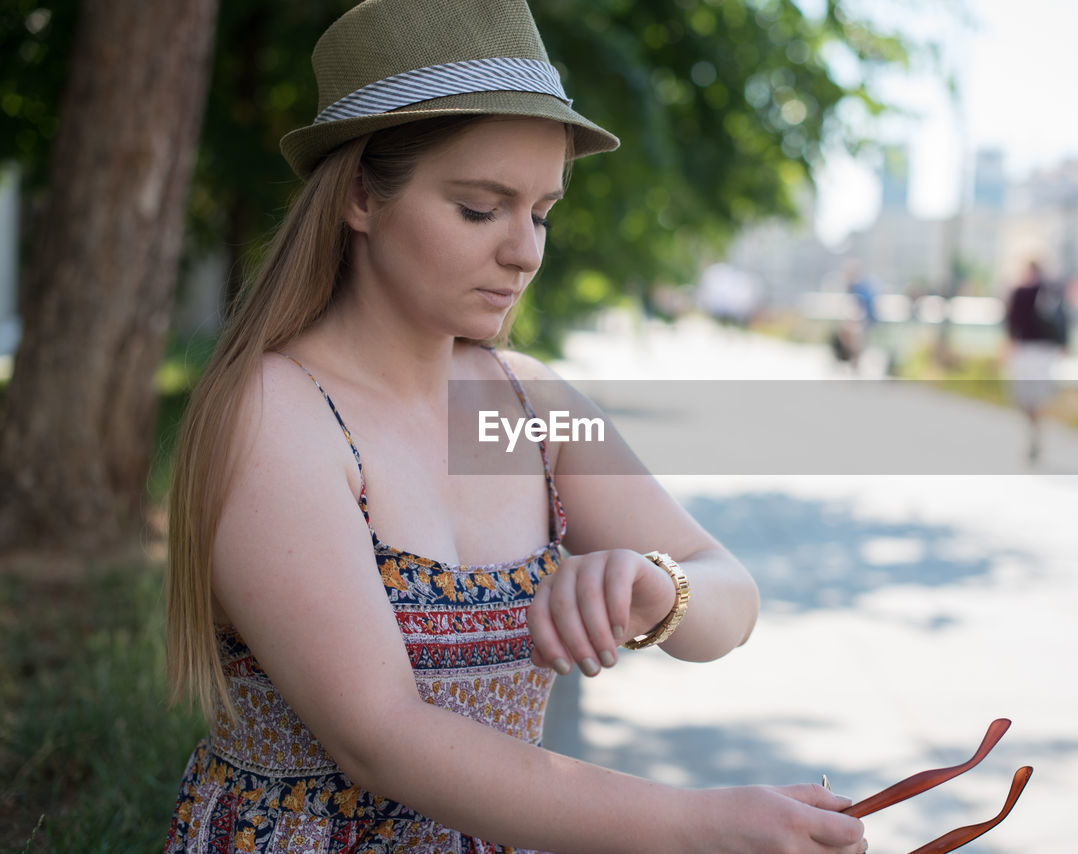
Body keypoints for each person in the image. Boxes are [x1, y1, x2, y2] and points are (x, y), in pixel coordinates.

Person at [163, 2, 869, 852]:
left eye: (540, 212)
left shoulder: (521, 415)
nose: (526, 252)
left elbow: (731, 593)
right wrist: (700, 825)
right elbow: (382, 739)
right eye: (479, 208)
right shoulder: (280, 415)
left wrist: (656, 588)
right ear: (359, 195)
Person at [1003, 259, 1069, 463]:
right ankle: (1035, 428)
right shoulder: (1049, 291)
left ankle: (1034, 428)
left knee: (1028, 395)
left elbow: (1011, 323)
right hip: (1040, 351)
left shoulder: (1023, 293)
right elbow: (1064, 319)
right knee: (1032, 395)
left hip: (1032, 351)